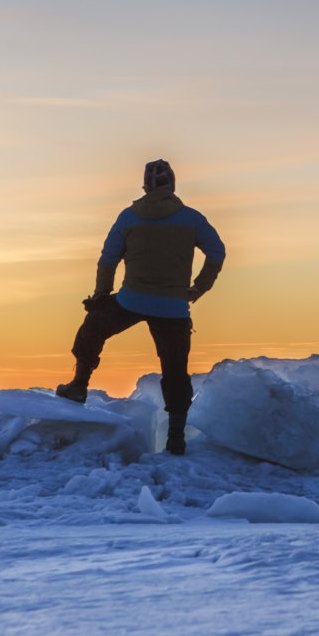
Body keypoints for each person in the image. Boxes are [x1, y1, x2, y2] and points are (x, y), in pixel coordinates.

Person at [57, 159, 225, 455]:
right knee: (175, 368)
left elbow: (108, 259)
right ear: (172, 186)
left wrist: (100, 295)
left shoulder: (128, 217)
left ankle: (79, 385)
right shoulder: (192, 219)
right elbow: (216, 251)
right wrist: (199, 287)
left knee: (92, 329)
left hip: (130, 299)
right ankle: (175, 435)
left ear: (145, 188)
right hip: (173, 307)